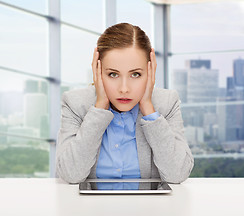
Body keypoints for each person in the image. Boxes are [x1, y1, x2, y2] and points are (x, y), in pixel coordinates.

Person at [56, 23, 194, 184]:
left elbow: (177, 174)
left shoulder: (166, 103)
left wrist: (149, 110)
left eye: (135, 74)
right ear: (98, 71)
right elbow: (70, 175)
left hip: (150, 208)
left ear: (151, 71)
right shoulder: (75, 104)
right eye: (113, 74)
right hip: (91, 208)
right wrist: (99, 107)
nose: (124, 89)